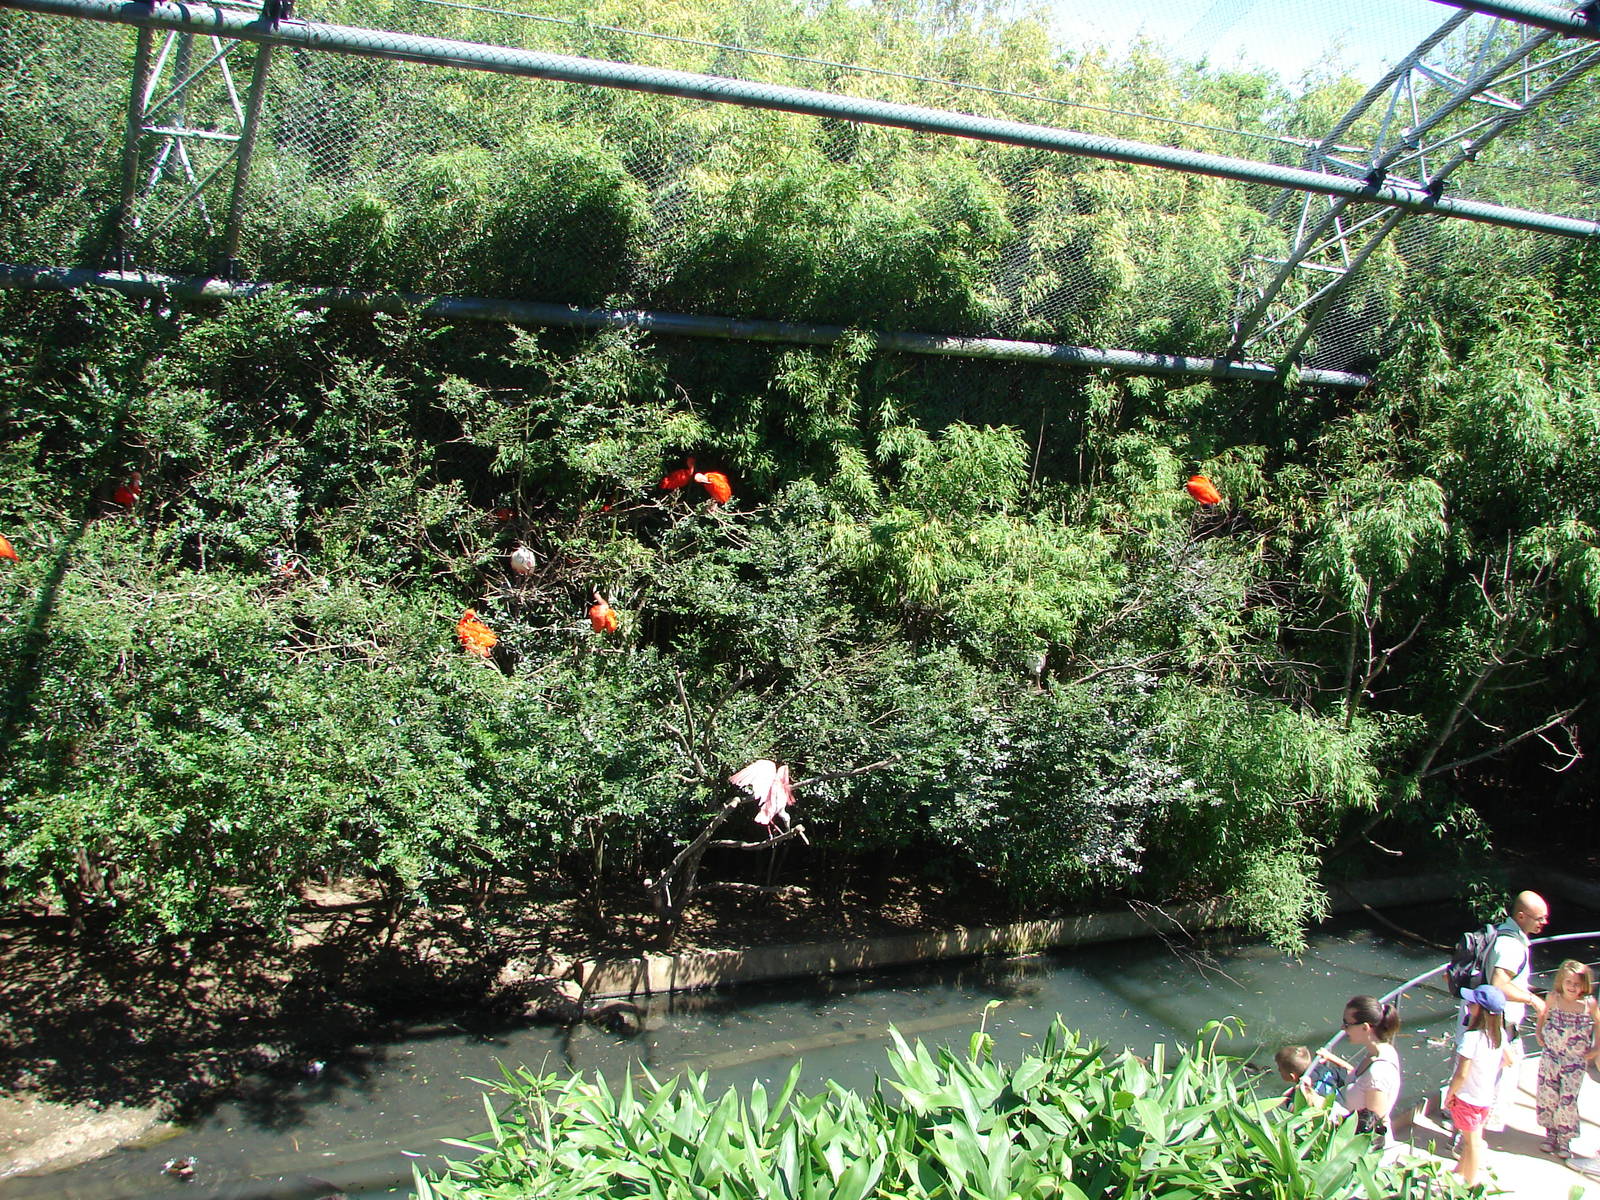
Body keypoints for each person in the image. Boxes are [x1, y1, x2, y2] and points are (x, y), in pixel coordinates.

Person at [1484, 890, 1549, 1129]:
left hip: (1494, 1023)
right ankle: (1468, 1146)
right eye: (1539, 918)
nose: (1544, 923)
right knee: (1492, 1086)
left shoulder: (1505, 934)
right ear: (1521, 916)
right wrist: (1533, 1000)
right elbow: (1499, 984)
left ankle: (1471, 1144)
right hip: (1498, 1027)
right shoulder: (1511, 945)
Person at [1446, 984, 1513, 1187]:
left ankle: (1470, 1183)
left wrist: (1451, 1093)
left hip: (1467, 1098)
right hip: (1485, 1098)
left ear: (1479, 1010)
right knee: (1470, 1138)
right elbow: (1509, 1059)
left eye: (1472, 1003)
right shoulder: (1498, 1034)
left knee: (1472, 1142)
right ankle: (1459, 1170)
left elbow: (1461, 1073)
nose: (1468, 1005)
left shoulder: (1471, 1037)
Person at [1535, 959, 1600, 1158]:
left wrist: (1596, 1047)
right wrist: (1539, 1033)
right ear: (1561, 982)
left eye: (1577, 984)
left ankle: (1565, 1139)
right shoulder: (1553, 997)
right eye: (1569, 983)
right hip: (1551, 1056)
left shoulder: (1588, 1003)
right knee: (1548, 1094)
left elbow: (1598, 1022)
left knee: (1567, 1099)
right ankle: (1550, 1134)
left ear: (1584, 985)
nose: (1572, 987)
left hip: (1574, 1060)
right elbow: (1543, 1015)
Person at [1337, 995, 1402, 1142]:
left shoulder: (1377, 1074)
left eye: (1347, 1024)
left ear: (1365, 1027)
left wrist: (1321, 1105)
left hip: (1364, 1154)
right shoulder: (1382, 1051)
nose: (1343, 1028)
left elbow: (1373, 1125)